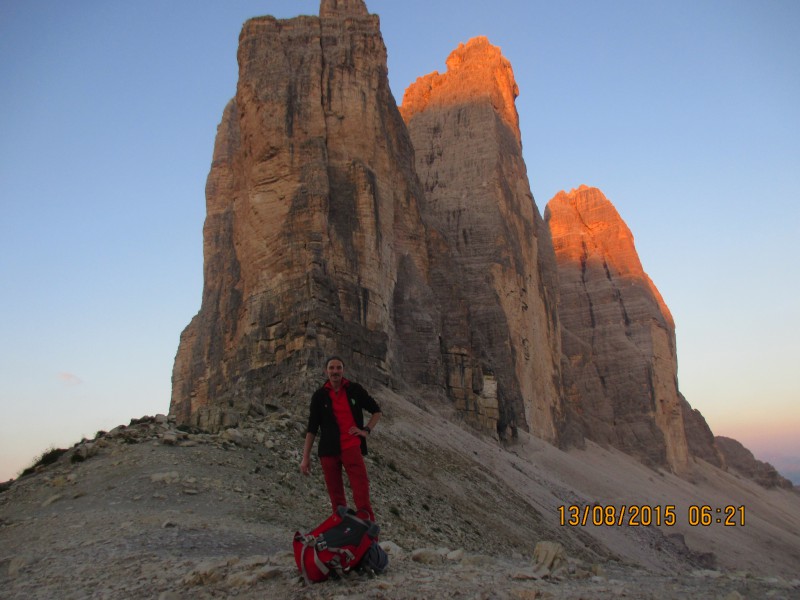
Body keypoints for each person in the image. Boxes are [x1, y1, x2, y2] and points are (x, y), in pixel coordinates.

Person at [300, 356, 382, 522]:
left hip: (351, 446)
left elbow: (376, 411)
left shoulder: (354, 390)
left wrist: (366, 430)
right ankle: (343, 534)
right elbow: (312, 428)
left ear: (343, 370)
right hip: (328, 451)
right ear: (326, 371)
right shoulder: (319, 396)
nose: (335, 371)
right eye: (332, 368)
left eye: (338, 368)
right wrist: (305, 457)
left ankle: (368, 537)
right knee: (336, 498)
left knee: (361, 493)